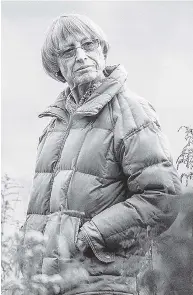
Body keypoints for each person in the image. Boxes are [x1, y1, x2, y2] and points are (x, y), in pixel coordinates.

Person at [23, 14, 181, 295]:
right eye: (69, 51)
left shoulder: (131, 111)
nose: (81, 56)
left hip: (103, 284)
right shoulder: (53, 126)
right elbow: (41, 212)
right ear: (57, 67)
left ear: (103, 50)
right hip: (46, 287)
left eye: (89, 45)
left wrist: (89, 235)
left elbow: (163, 197)